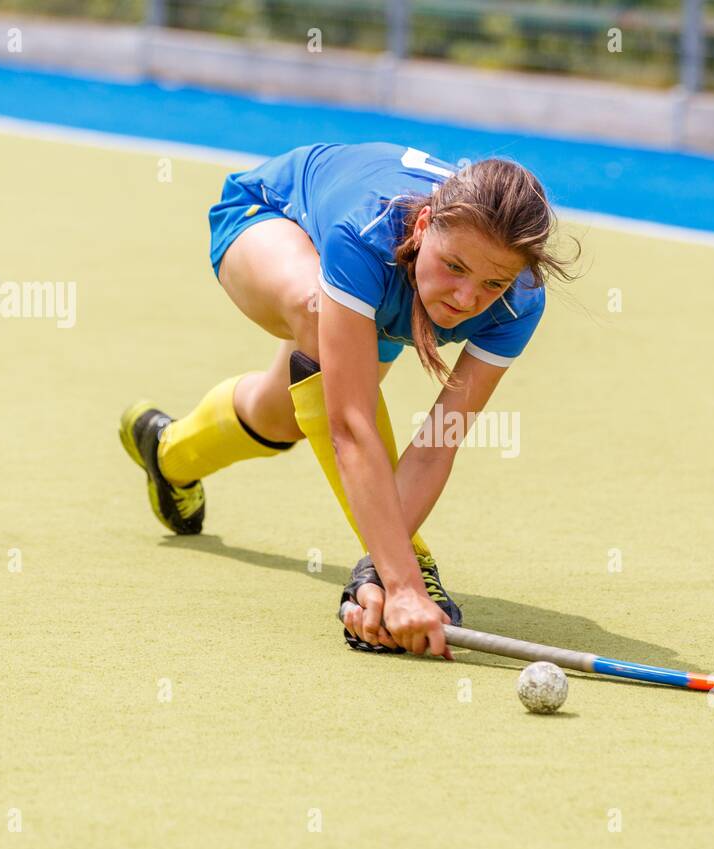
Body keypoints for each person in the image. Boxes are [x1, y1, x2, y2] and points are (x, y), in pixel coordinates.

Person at [119, 142, 579, 659]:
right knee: (317, 315)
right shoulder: (365, 235)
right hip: (269, 218)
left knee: (282, 416)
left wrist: (377, 575)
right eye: (454, 267)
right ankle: (410, 560)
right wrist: (401, 581)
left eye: (492, 283)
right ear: (424, 225)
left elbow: (437, 443)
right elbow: (351, 427)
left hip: (386, 289)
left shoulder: (519, 302)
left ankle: (168, 452)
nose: (466, 299)